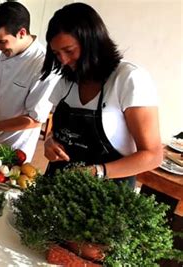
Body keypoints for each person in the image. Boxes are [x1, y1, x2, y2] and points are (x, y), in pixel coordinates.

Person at [40, 3, 162, 186]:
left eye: (69, 51)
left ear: (92, 42)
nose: (63, 61)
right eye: (57, 54)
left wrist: (97, 171)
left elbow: (153, 155)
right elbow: (57, 130)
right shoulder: (66, 80)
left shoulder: (129, 79)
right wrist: (49, 142)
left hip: (106, 195)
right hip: (59, 185)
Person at [0, 2, 59, 160]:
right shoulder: (7, 53)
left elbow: (33, 120)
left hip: (14, 148)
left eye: (1, 41)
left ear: (21, 32)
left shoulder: (43, 65)